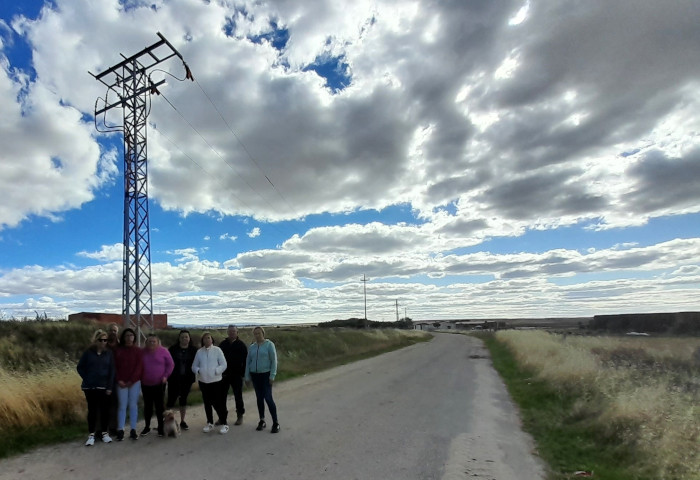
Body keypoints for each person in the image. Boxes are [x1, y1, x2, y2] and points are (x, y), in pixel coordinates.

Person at [77, 329, 115, 446]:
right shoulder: (88, 353)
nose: (103, 342)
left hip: (104, 387)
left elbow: (112, 371)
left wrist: (109, 387)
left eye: (105, 340)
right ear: (96, 340)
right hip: (90, 387)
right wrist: (87, 378)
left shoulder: (108, 353)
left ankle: (104, 433)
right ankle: (91, 435)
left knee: (104, 410)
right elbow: (80, 367)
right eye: (101, 340)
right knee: (92, 410)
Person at [191, 332, 229, 434]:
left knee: (218, 403)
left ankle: (225, 423)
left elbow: (224, 364)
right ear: (202, 341)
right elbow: (194, 366)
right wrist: (199, 371)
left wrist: (216, 371)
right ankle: (210, 423)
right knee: (207, 403)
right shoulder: (199, 352)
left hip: (216, 381)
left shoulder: (217, 350)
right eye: (205, 338)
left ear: (211, 339)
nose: (207, 340)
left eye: (208, 338)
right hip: (203, 382)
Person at [244, 326, 280, 433]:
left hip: (266, 375)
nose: (257, 335)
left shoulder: (269, 345)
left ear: (263, 334)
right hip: (255, 375)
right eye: (255, 334)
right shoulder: (252, 347)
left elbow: (274, 361)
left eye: (259, 333)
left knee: (268, 398)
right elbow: (248, 362)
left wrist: (272, 375)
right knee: (259, 398)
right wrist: (247, 377)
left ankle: (275, 422)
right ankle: (262, 420)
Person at [141, 333, 174, 437]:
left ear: (157, 342)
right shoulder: (142, 352)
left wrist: (166, 376)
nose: (151, 343)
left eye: (154, 341)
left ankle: (161, 427)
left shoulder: (163, 351)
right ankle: (147, 426)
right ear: (146, 342)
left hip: (159, 383)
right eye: (149, 341)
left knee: (160, 407)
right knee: (148, 406)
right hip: (145, 384)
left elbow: (171, 364)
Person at [114, 328, 143, 441]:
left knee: (133, 405)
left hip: (134, 383)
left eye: (131, 335)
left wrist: (132, 380)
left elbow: (139, 367)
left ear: (134, 337)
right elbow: (115, 367)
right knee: (122, 405)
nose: (129, 337)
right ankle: (120, 429)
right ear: (123, 337)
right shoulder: (118, 350)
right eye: (127, 335)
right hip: (121, 382)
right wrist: (119, 380)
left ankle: (133, 429)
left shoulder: (138, 351)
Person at [166, 330, 198, 431]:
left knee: (183, 400)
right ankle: (168, 421)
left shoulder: (194, 350)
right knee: (171, 399)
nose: (184, 339)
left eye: (186, 337)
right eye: (182, 337)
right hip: (173, 378)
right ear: (179, 338)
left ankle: (182, 421)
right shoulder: (173, 349)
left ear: (189, 338)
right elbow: (167, 363)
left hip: (187, 379)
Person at [219, 325, 248, 425]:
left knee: (238, 396)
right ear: (227, 332)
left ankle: (240, 415)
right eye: (230, 331)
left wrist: (243, 374)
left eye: (233, 331)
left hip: (237, 375)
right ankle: (222, 417)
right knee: (221, 397)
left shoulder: (241, 345)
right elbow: (217, 360)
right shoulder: (222, 345)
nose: (231, 333)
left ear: (237, 332)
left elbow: (246, 361)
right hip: (224, 375)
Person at [105, 331, 120, 436]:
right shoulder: (103, 349)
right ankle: (102, 429)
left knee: (114, 405)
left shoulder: (120, 348)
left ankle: (113, 427)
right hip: (104, 379)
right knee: (103, 406)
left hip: (116, 379)